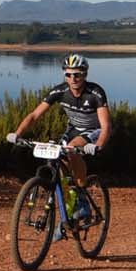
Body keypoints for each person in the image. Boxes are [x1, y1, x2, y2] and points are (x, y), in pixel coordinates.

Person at [7, 54, 112, 222]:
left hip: (94, 130)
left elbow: (106, 125)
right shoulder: (60, 91)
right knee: (55, 158)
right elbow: (34, 115)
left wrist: (98, 145)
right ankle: (69, 205)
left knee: (71, 150)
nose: (73, 78)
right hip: (73, 129)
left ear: (85, 74)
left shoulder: (95, 92)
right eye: (68, 74)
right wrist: (17, 134)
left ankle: (82, 197)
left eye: (77, 74)